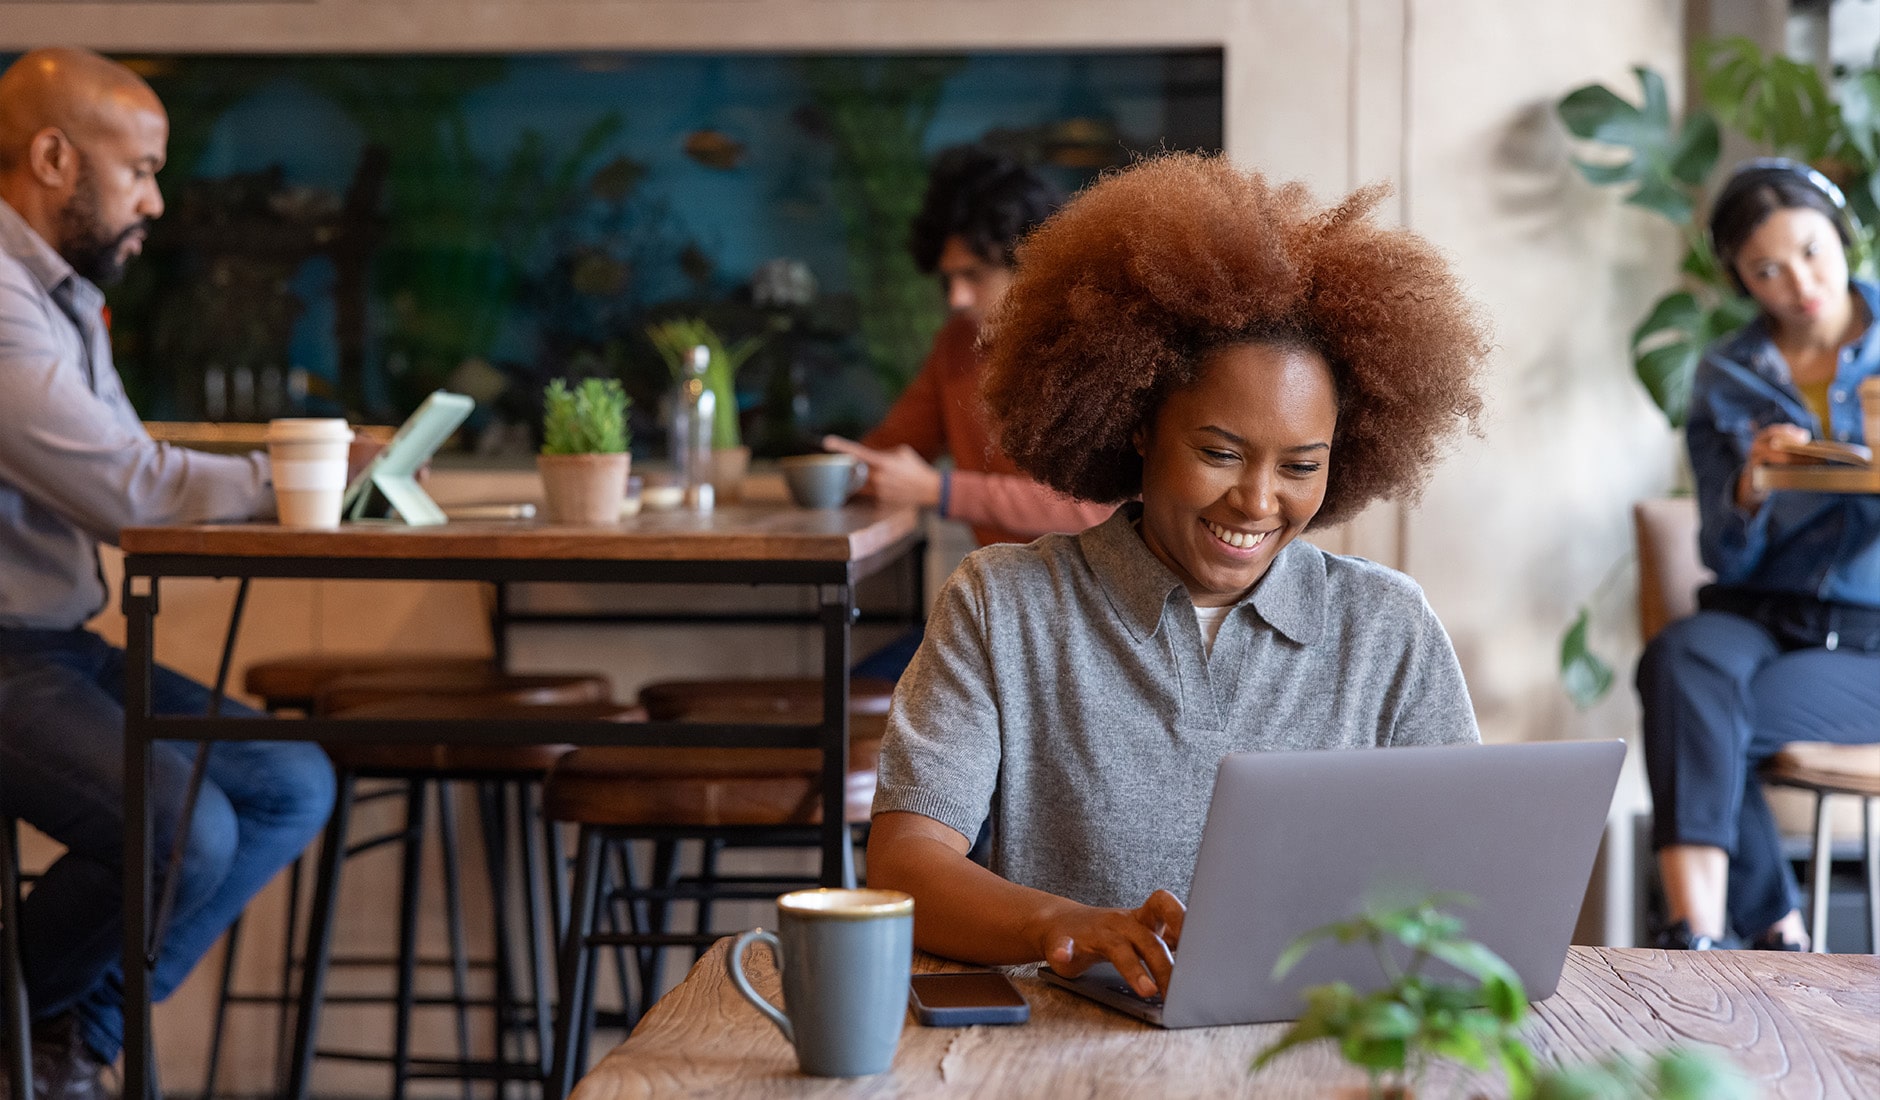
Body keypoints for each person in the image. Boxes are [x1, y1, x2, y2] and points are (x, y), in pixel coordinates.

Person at [866, 154, 1491, 997]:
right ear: (1134, 426)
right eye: (1219, 453)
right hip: (1064, 1057)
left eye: (1301, 465)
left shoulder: (1387, 626)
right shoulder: (1003, 604)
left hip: (1311, 1049)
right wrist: (1064, 925)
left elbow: (1466, 882)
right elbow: (905, 864)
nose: (1258, 500)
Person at [0, 48, 335, 1097]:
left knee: (286, 784)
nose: (154, 198)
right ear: (55, 156)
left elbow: (120, 463)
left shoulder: (59, 296)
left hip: (50, 641)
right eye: (138, 168)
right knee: (183, 832)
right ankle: (27, 1039)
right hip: (6, 652)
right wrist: (294, 476)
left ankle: (66, 1045)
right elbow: (127, 487)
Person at [1637, 157, 1880, 952]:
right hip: (1761, 610)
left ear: (1842, 234)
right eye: (1766, 270)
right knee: (1681, 658)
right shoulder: (1727, 376)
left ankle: (1732, 935)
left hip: (1869, 637)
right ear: (1743, 280)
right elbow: (1721, 555)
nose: (1800, 283)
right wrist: (1750, 486)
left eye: (1812, 250)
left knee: (1706, 722)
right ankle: (1720, 932)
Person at [821, 145, 1113, 546]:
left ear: (1030, 265)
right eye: (948, 279)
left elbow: (1099, 508)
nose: (956, 298)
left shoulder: (1093, 346)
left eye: (973, 275)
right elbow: (894, 449)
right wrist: (842, 470)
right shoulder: (958, 344)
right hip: (1004, 587)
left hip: (1092, 594)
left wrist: (940, 492)